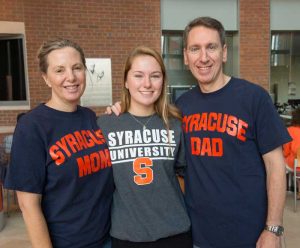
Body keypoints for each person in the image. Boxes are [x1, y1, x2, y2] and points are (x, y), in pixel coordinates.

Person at [108, 17, 291, 248]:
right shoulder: (181, 108)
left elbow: (276, 165)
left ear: (224, 52)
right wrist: (119, 111)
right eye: (195, 49)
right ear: (186, 56)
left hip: (251, 235)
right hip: (198, 236)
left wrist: (273, 228)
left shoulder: (254, 98)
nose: (203, 57)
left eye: (211, 47)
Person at [4, 38, 114, 248]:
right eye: (59, 70)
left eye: (77, 68)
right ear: (46, 78)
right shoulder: (32, 127)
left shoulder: (90, 118)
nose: (71, 77)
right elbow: (28, 206)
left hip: (108, 239)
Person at [97, 46, 192, 248]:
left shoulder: (174, 124)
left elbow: (182, 177)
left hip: (174, 233)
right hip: (127, 235)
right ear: (125, 80)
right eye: (138, 75)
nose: (147, 84)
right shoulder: (106, 125)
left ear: (163, 81)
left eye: (155, 76)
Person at [283, 107, 300, 199]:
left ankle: (281, 190)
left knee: (280, 164)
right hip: (298, 164)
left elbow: (286, 152)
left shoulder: (290, 130)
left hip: (294, 164)